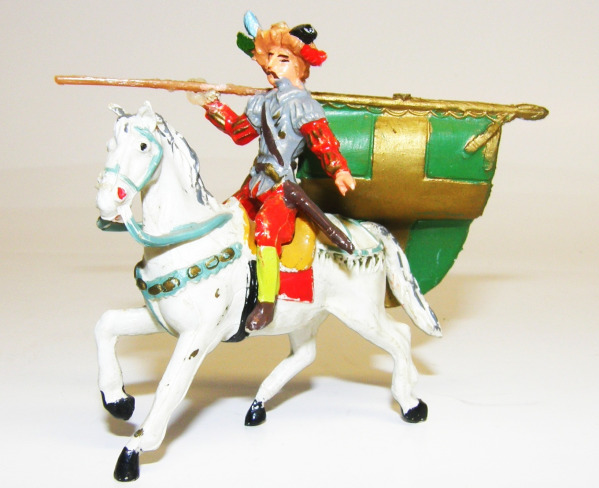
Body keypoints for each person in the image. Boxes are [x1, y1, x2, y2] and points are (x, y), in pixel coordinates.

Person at [189, 15, 355, 331]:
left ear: (301, 66)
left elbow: (322, 140)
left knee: (267, 232)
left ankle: (266, 302)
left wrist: (339, 170)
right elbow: (240, 133)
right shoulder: (261, 102)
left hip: (281, 188)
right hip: (254, 183)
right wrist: (211, 104)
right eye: (269, 58)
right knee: (223, 218)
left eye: (282, 59)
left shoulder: (303, 104)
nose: (271, 65)